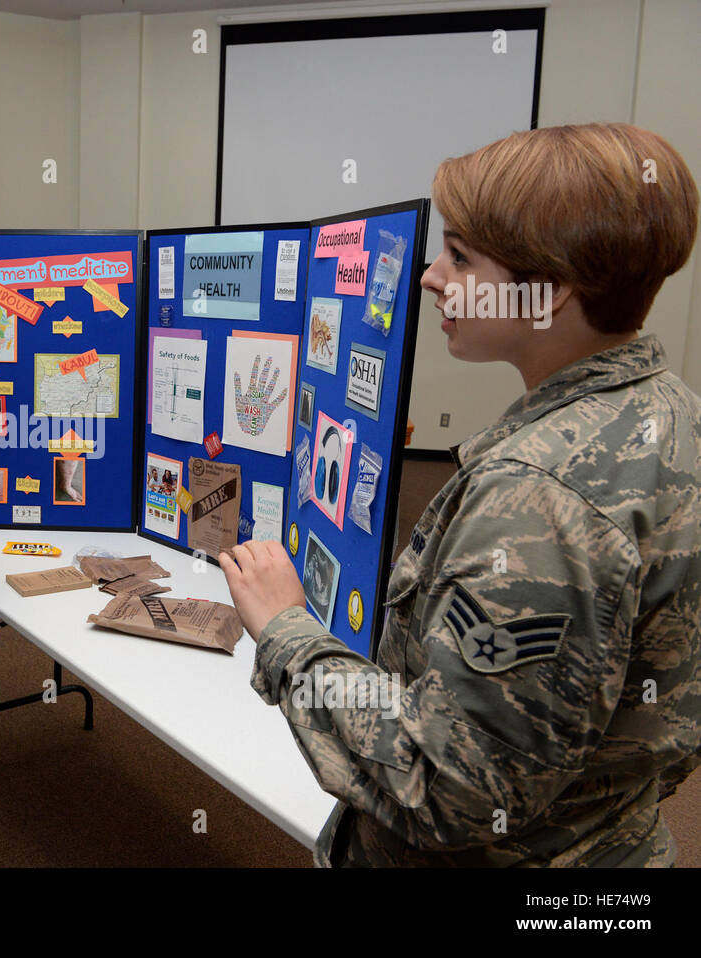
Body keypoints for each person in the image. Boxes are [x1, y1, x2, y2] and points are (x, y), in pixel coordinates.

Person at [220, 123, 700, 867]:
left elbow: (449, 788)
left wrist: (286, 630)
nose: (430, 276)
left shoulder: (539, 499)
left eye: (462, 256)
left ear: (554, 289)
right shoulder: (671, 414)